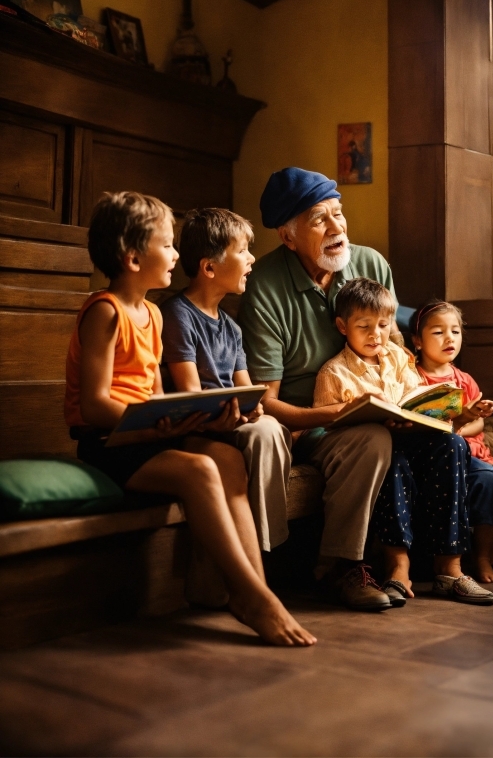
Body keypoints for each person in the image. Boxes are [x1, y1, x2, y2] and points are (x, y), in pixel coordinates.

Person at [64, 191, 315, 647]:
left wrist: (175, 421)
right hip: (110, 442)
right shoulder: (104, 311)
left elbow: (157, 395)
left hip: (146, 435)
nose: (177, 253)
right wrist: (150, 421)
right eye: (167, 244)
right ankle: (253, 598)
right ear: (133, 257)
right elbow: (96, 404)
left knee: (228, 459)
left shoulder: (154, 314)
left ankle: (254, 590)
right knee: (200, 468)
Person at [239, 167, 405, 611]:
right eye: (320, 219)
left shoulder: (370, 264)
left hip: (367, 411)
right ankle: (318, 568)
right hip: (303, 423)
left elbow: (395, 348)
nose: (337, 228)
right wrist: (333, 415)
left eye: (339, 213)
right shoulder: (264, 286)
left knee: (391, 437)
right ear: (288, 236)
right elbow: (265, 401)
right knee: (366, 437)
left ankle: (369, 567)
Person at [313, 278, 493, 606]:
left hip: (413, 434)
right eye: (364, 326)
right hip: (379, 443)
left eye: (384, 325)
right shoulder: (334, 372)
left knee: (452, 445)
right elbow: (330, 427)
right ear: (342, 326)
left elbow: (416, 394)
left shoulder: (398, 357)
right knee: (389, 451)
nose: (376, 335)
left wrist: (443, 411)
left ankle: (450, 569)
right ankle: (398, 565)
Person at [160, 207, 293, 555]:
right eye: (243, 250)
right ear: (209, 267)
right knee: (265, 434)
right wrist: (239, 411)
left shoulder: (231, 327)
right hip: (193, 428)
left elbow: (249, 393)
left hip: (225, 421)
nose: (251, 259)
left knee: (270, 428)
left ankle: (265, 548)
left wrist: (252, 410)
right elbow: (189, 393)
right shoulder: (177, 315)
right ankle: (261, 555)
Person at [411, 300, 493, 584]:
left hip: (468, 451)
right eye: (438, 332)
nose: (449, 339)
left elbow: (479, 422)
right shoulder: (412, 377)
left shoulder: (463, 379)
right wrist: (449, 428)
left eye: (455, 332)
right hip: (434, 455)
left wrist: (462, 426)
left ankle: (482, 558)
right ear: (417, 341)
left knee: (490, 480)